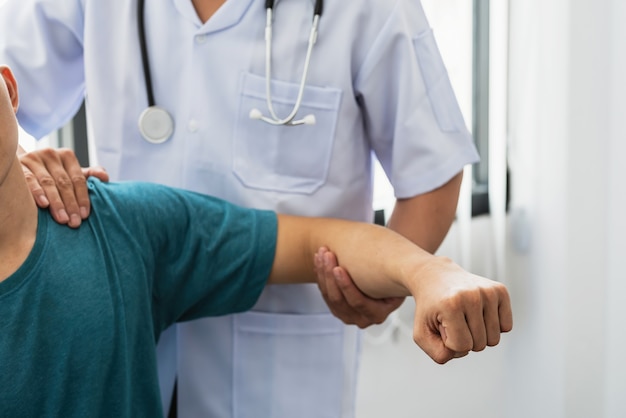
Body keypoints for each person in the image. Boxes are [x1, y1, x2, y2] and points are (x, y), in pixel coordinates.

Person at [0, 0, 481, 416]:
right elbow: (8, 91)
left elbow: (431, 172)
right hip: (125, 357)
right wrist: (26, 165)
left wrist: (388, 281)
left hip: (279, 363)